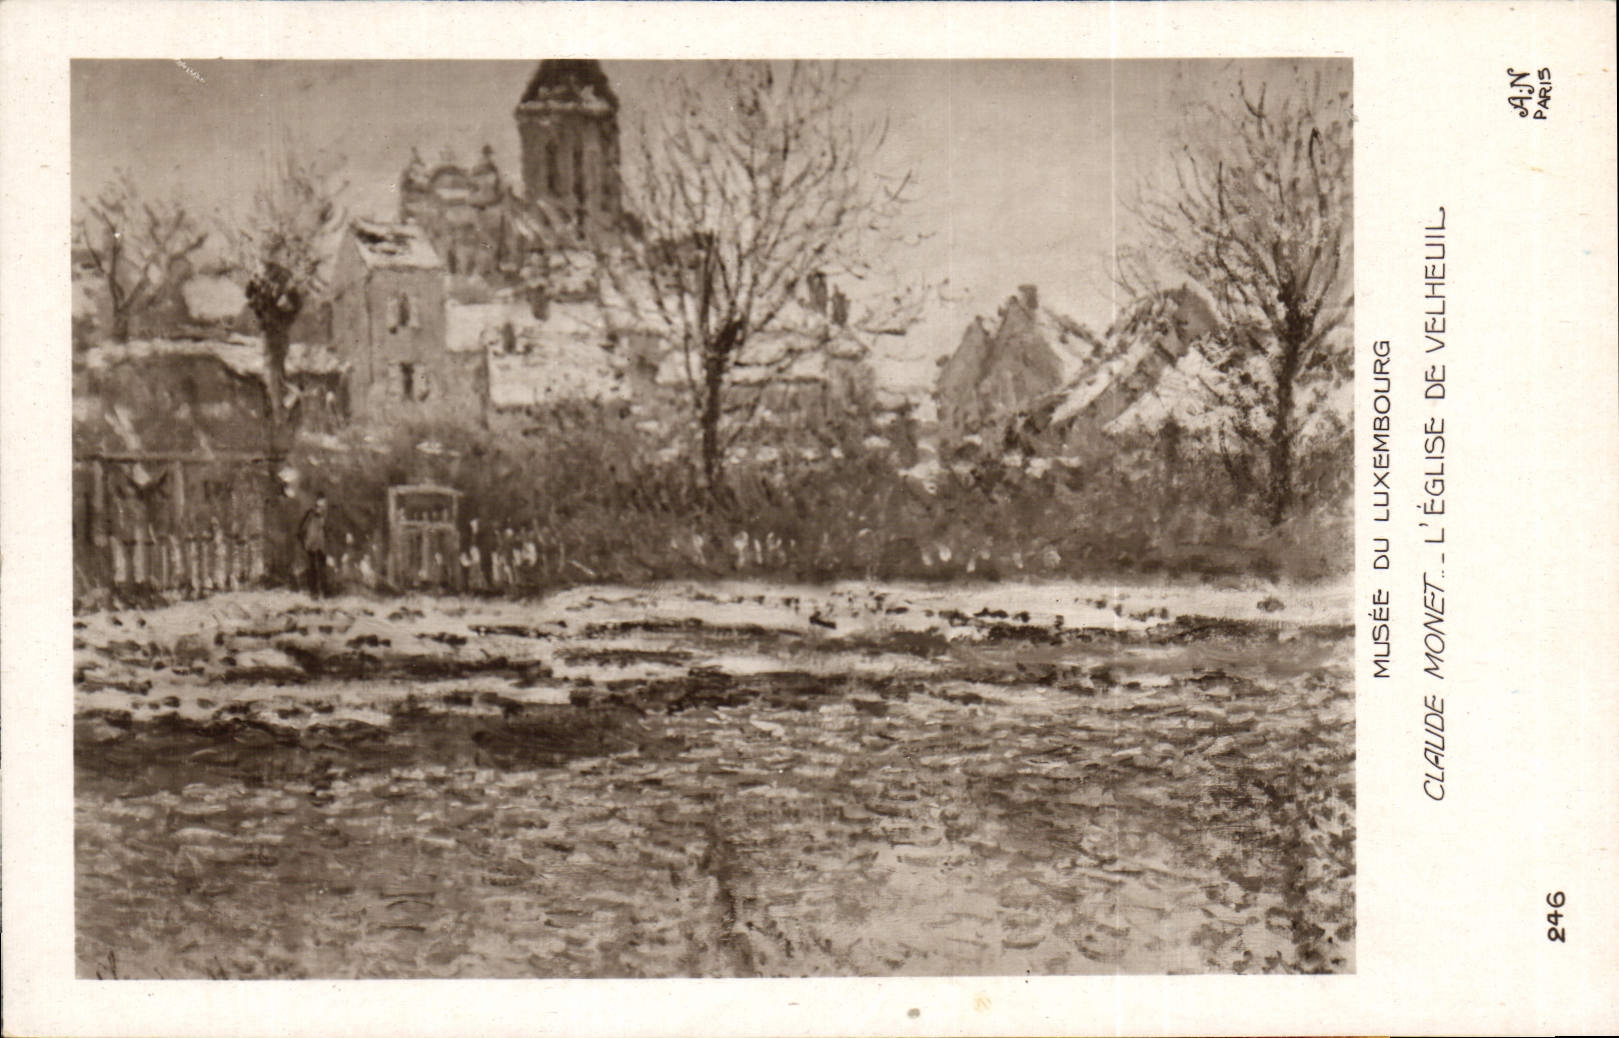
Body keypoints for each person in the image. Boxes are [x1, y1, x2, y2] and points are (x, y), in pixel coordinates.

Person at [297, 493, 330, 597]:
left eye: (324, 505)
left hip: (321, 545)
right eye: (320, 505)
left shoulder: (325, 516)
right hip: (311, 544)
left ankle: (324, 591)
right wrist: (304, 542)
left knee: (322, 567)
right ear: (316, 503)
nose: (322, 507)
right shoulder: (310, 514)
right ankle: (314, 591)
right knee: (312, 568)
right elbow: (301, 529)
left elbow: (327, 530)